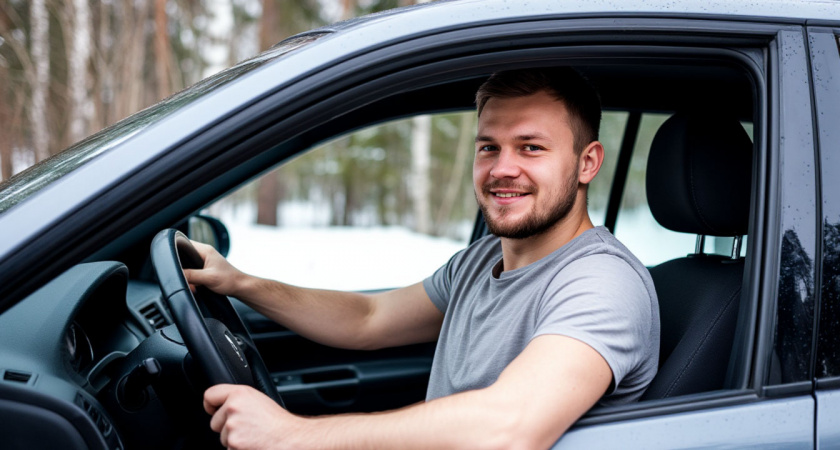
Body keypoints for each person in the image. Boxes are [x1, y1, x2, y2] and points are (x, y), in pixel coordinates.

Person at [186, 67, 660, 449]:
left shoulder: (602, 282)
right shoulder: (480, 261)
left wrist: (295, 435)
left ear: (587, 163)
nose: (502, 169)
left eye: (531, 148)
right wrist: (240, 282)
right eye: (489, 147)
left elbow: (509, 428)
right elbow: (369, 319)